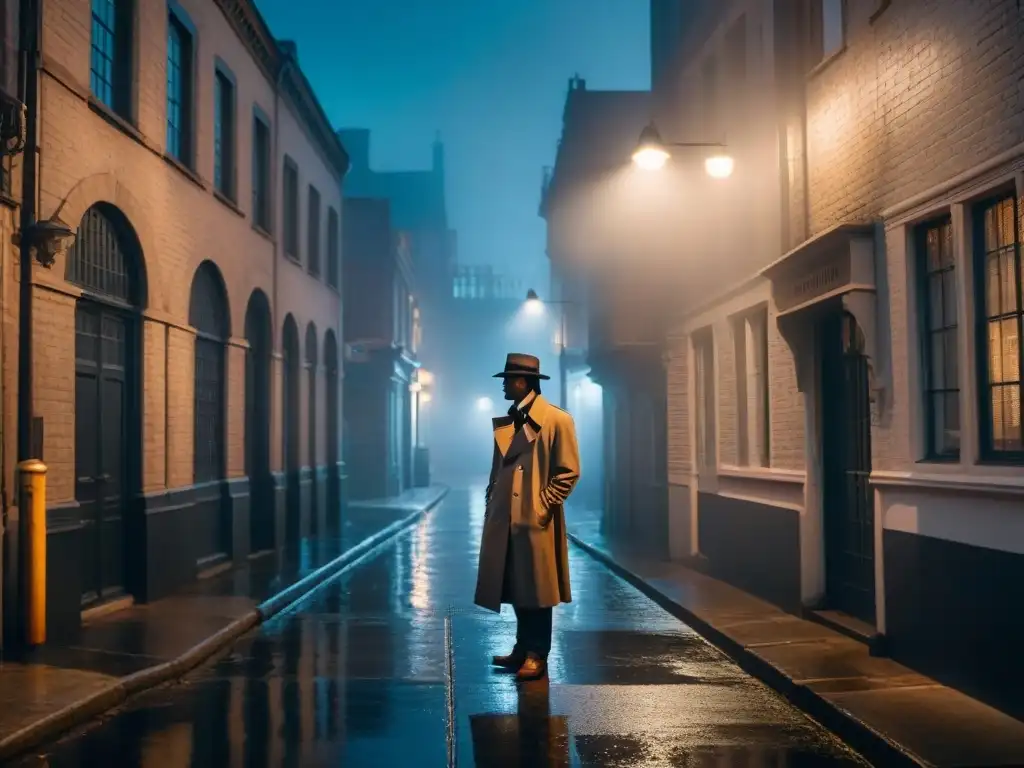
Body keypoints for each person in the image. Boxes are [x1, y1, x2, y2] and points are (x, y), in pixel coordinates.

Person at [474, 353, 581, 682]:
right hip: (505, 519)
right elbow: (498, 471)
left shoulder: (556, 420)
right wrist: (493, 501)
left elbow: (568, 472)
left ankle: (538, 654)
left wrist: (542, 506)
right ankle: (522, 647)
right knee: (517, 587)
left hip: (534, 522)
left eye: (507, 380)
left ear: (523, 382)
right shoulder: (508, 422)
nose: (504, 385)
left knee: (537, 591)